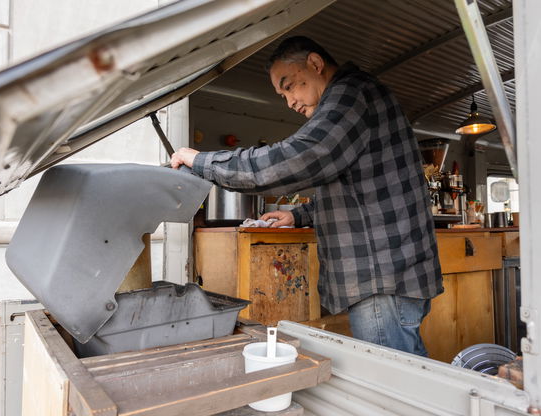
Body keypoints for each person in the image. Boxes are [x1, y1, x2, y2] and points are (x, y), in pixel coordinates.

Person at [171, 36, 443, 356]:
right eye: (283, 94)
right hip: (387, 277)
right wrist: (297, 215)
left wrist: (202, 161)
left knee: (396, 388)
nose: (290, 101)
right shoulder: (361, 96)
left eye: (290, 86)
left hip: (381, 279)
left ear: (315, 64)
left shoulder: (351, 93)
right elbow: (358, 187)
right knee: (404, 378)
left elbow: (301, 158)